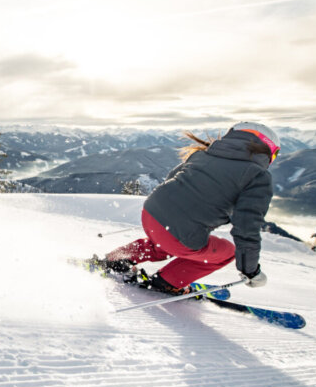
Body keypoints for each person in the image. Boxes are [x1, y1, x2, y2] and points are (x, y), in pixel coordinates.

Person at [97, 122, 280, 295]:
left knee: (163, 243)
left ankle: (115, 260)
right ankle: (167, 283)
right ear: (269, 151)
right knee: (226, 252)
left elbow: (173, 179)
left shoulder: (202, 155)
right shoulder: (258, 176)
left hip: (150, 214)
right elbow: (247, 227)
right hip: (179, 232)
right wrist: (250, 270)